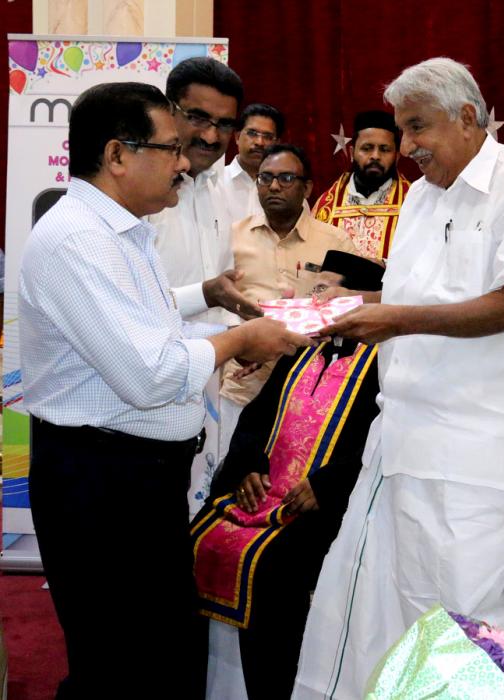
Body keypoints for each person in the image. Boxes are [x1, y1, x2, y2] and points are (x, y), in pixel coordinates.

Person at [292, 57, 504, 700]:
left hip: (479, 454)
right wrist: (345, 306)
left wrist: (391, 319)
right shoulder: (422, 196)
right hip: (402, 444)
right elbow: (411, 298)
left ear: (467, 117)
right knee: (383, 620)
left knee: (464, 631)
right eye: (402, 129)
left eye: (417, 127)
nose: (406, 146)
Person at [19, 82, 310, 700]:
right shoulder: (80, 239)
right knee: (121, 664)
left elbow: (143, 324)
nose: (184, 162)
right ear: (117, 155)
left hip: (133, 479)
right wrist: (239, 339)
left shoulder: (119, 230)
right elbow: (149, 374)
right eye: (170, 147)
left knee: (160, 654)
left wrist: (209, 308)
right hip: (101, 481)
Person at [194, 251, 384, 700]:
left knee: (274, 570)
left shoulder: (383, 363)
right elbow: (258, 417)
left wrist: (328, 485)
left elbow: (380, 439)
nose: (314, 299)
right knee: (196, 542)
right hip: (262, 495)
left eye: (325, 290)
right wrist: (248, 466)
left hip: (321, 505)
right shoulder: (302, 349)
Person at [218, 144, 357, 459]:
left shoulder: (336, 243)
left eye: (286, 178)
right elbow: (216, 306)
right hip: (243, 388)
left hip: (307, 397)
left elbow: (350, 313)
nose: (274, 186)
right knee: (231, 479)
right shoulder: (232, 238)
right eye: (265, 178)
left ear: (307, 187)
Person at [149, 56, 260, 325]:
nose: (211, 136)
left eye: (224, 124)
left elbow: (222, 297)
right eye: (198, 118)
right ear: (168, 111)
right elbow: (129, 306)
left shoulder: (220, 191)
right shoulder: (140, 196)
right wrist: (206, 295)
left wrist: (245, 332)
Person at [311, 110, 410, 260]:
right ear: (352, 153)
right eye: (367, 148)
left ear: (396, 156)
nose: (375, 156)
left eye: (384, 149)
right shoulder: (326, 207)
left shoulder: (412, 202)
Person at [221, 102, 284, 223]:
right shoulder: (214, 183)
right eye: (252, 133)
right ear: (237, 137)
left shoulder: (288, 190)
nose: (259, 142)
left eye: (268, 136)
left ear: (277, 144)